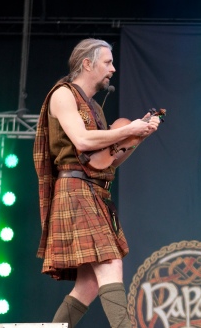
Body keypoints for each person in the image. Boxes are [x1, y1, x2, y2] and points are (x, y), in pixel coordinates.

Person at [33, 38, 162, 328]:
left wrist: (134, 139)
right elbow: (81, 140)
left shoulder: (94, 108)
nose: (113, 69)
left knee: (89, 286)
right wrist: (127, 129)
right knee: (110, 263)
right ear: (87, 63)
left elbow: (105, 162)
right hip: (75, 190)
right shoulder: (63, 94)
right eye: (108, 62)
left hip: (92, 190)